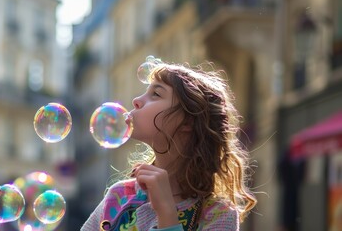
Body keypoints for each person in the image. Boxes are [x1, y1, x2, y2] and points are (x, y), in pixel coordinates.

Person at [81, 57, 257, 231]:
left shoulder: (218, 214)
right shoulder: (119, 196)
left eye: (156, 94)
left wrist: (166, 212)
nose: (136, 100)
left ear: (188, 122)